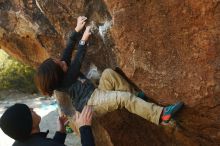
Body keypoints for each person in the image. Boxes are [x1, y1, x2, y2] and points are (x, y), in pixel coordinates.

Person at [35, 16, 184, 127]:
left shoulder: (62, 69)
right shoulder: (66, 80)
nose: (62, 61)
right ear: (60, 75)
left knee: (108, 74)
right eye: (60, 65)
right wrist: (84, 39)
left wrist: (77, 30)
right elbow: (78, 58)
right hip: (92, 104)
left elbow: (67, 52)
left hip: (96, 93)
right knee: (123, 98)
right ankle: (161, 115)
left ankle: (138, 98)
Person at [0, 103, 95, 146]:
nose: (33, 109)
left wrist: (60, 132)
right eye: (29, 111)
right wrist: (84, 127)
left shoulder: (18, 143)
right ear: (28, 123)